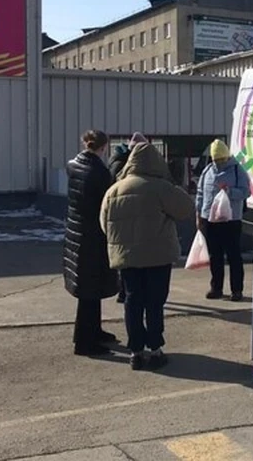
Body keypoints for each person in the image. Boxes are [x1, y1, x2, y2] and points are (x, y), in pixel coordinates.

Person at [100, 141, 196, 371]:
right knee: (155, 302)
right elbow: (185, 210)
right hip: (157, 255)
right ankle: (155, 349)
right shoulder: (161, 187)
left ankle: (135, 350)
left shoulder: (114, 189)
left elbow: (105, 224)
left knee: (133, 301)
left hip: (126, 256)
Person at [63, 129, 119, 356]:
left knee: (89, 289)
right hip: (93, 236)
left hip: (76, 232)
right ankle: (86, 342)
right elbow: (105, 206)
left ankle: (91, 331)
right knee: (90, 289)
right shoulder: (99, 172)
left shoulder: (74, 166)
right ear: (104, 147)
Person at [196, 139, 251, 301]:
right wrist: (198, 214)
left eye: (221, 160)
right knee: (215, 256)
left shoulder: (237, 170)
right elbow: (200, 194)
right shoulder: (207, 171)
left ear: (227, 157)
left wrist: (230, 192)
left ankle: (237, 290)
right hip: (210, 220)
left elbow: (246, 192)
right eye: (215, 160)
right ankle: (216, 288)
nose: (218, 163)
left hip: (231, 220)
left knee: (234, 256)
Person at [108, 132, 147, 303]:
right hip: (128, 213)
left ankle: (125, 291)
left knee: (125, 256)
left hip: (121, 214)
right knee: (129, 258)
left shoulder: (116, 161)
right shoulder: (123, 164)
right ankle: (125, 291)